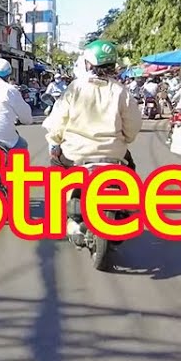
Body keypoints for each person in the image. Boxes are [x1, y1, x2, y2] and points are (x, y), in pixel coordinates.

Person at [44, 40, 143, 241]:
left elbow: (57, 121)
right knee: (130, 168)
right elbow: (132, 127)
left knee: (55, 167)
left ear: (89, 64)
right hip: (113, 155)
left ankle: (60, 214)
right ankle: (128, 204)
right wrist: (125, 139)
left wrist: (54, 142)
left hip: (75, 154)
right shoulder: (121, 91)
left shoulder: (75, 88)